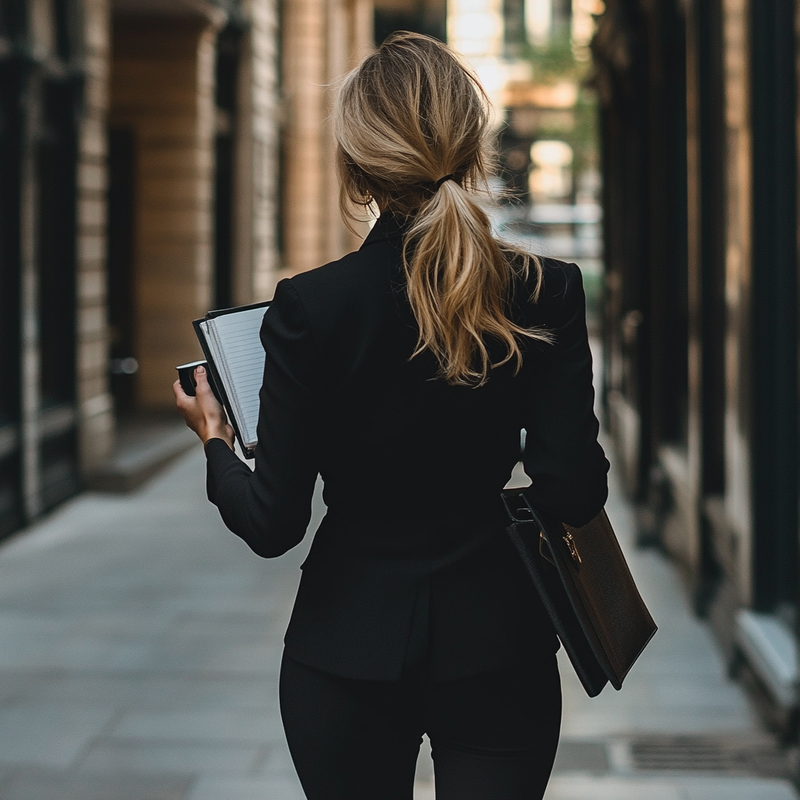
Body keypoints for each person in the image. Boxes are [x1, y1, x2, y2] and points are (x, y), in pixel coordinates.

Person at [174, 31, 608, 800]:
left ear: (355, 167)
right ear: (475, 146)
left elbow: (273, 525)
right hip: (499, 646)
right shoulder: (547, 290)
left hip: (346, 648)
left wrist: (215, 441)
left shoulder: (312, 307)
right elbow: (573, 492)